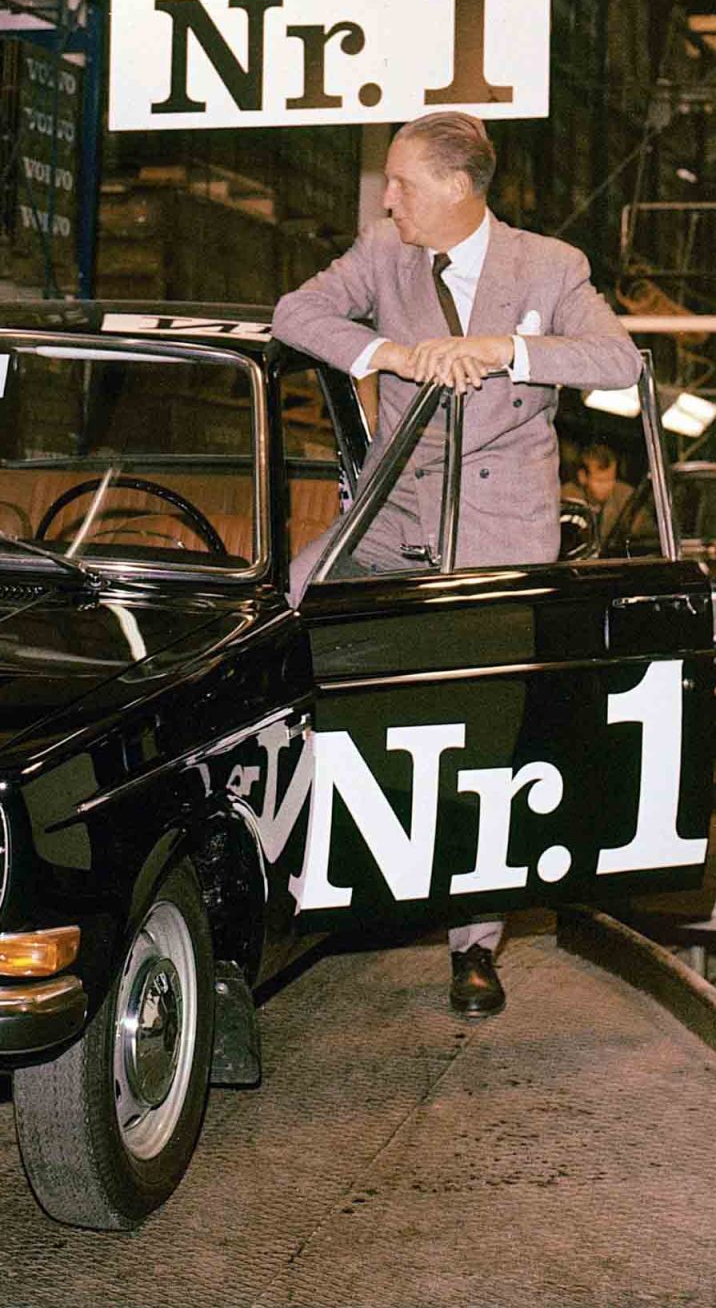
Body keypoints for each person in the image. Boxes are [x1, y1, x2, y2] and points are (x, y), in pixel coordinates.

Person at [272, 111, 641, 1019]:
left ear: (455, 185)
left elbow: (619, 361)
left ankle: (473, 946)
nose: (388, 200)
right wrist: (389, 353)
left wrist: (505, 350)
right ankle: (292, 861)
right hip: (393, 508)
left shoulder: (550, 266)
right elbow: (294, 314)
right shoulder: (382, 254)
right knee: (287, 614)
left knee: (482, 732)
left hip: (500, 525)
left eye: (401, 183)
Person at [563, 442, 635, 550]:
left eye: (611, 479)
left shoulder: (626, 497)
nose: (607, 487)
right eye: (600, 481)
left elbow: (643, 535)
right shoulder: (566, 499)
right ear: (582, 476)